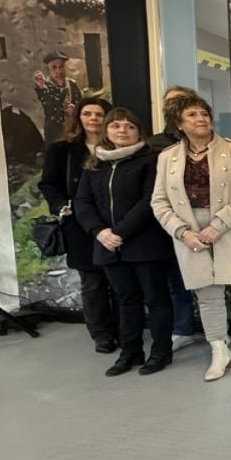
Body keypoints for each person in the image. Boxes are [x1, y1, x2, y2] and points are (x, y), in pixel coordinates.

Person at [151, 93, 231, 381]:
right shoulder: (166, 158)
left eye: (204, 113)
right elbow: (159, 202)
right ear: (179, 124)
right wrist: (182, 232)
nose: (201, 119)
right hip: (190, 234)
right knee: (207, 297)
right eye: (192, 115)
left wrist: (218, 224)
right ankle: (220, 350)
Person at [74, 109, 175, 377]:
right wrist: (99, 231)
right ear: (106, 130)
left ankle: (161, 351)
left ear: (138, 132)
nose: (122, 131)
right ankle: (130, 352)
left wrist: (119, 232)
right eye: (116, 126)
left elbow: (150, 200)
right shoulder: (95, 163)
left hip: (145, 244)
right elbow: (82, 202)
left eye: (129, 126)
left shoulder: (151, 160)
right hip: (107, 245)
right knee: (125, 300)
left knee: (156, 299)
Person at [39, 96, 118, 353]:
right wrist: (62, 206)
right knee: (93, 282)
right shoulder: (62, 149)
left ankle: (125, 327)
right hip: (80, 225)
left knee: (120, 279)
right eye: (88, 114)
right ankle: (102, 334)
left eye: (99, 114)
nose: (93, 118)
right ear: (79, 118)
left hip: (115, 222)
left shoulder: (119, 145)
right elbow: (48, 183)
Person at [148, 85, 205, 352]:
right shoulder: (156, 145)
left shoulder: (210, 143)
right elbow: (154, 191)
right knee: (176, 278)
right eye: (172, 103)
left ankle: (216, 330)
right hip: (172, 224)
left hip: (206, 223)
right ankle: (183, 327)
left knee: (210, 281)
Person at [33, 49, 82, 144]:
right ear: (49, 70)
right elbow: (49, 107)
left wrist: (75, 110)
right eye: (54, 68)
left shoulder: (72, 84)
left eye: (61, 67)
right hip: (54, 132)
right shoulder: (44, 87)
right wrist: (42, 86)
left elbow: (80, 103)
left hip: (72, 129)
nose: (58, 71)